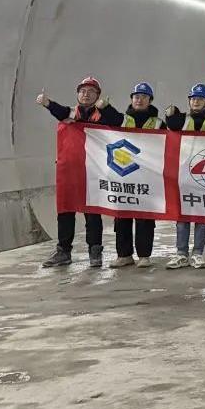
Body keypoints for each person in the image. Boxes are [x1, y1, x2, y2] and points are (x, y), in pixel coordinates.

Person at [37, 76, 122, 267]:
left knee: (92, 212)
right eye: (83, 91)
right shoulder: (71, 112)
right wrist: (48, 103)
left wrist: (105, 107)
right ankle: (63, 251)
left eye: (91, 92)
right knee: (65, 209)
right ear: (77, 94)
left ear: (98, 96)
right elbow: (60, 111)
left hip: (93, 171)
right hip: (70, 170)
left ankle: (95, 251)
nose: (86, 95)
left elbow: (118, 121)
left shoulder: (102, 115)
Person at [163, 83, 205, 269]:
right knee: (182, 215)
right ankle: (181, 253)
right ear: (189, 101)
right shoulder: (182, 118)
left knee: (201, 215)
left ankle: (197, 253)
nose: (196, 102)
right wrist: (170, 115)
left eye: (200, 99)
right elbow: (172, 127)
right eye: (193, 99)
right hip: (182, 174)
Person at [108, 82, 162, 269]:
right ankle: (124, 255)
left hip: (147, 176)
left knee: (145, 217)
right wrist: (104, 107)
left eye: (144, 97)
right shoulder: (122, 120)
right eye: (136, 96)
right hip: (123, 174)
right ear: (131, 99)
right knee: (122, 216)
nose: (139, 100)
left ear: (150, 100)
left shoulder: (158, 123)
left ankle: (144, 255)